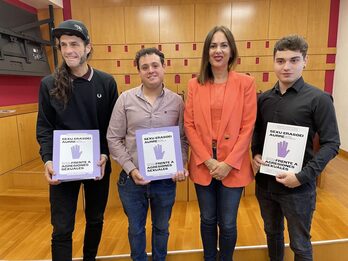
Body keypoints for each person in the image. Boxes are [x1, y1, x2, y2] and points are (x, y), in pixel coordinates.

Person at [251, 35, 340, 261]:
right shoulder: (264, 99)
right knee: (272, 234)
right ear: (274, 62)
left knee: (300, 244)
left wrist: (302, 176)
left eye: (294, 60)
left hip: (298, 188)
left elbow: (332, 144)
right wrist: (256, 154)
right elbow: (258, 133)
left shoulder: (319, 99)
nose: (287, 66)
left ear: (305, 61)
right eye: (280, 61)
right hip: (266, 184)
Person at [36, 19, 118, 261]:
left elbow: (113, 128)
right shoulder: (49, 84)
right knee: (62, 228)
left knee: (95, 219)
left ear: (88, 47)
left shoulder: (106, 82)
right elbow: (44, 127)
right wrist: (48, 159)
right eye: (63, 45)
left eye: (74, 43)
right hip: (63, 167)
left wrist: (104, 154)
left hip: (97, 165)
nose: (69, 50)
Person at [106, 47, 188, 261]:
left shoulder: (177, 102)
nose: (150, 70)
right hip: (132, 180)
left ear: (163, 67)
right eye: (145, 67)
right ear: (139, 71)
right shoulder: (125, 99)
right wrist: (131, 169)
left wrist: (181, 164)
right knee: (136, 229)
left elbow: (182, 138)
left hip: (164, 181)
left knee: (162, 227)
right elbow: (113, 138)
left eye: (155, 65)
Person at [184, 25, 257, 260]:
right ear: (206, 51)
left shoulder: (246, 83)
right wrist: (207, 159)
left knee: (227, 222)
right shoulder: (195, 84)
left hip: (232, 164)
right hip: (203, 161)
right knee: (207, 219)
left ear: (231, 50)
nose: (218, 50)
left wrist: (228, 163)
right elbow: (189, 125)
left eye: (223, 45)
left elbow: (248, 127)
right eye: (213, 45)